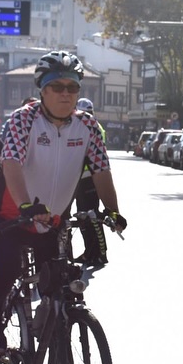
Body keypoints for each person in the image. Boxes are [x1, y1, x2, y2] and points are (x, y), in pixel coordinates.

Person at [0, 51, 127, 355]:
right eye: (57, 87)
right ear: (42, 90)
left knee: (60, 290)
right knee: (5, 272)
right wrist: (24, 205)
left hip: (52, 223)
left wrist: (112, 211)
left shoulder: (87, 126)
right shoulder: (24, 119)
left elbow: (101, 172)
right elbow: (11, 165)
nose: (65, 93)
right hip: (10, 216)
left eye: (72, 87)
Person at [72, 96, 109, 266]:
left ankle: (98, 253)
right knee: (85, 218)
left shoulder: (92, 127)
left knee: (91, 217)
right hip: (79, 178)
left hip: (89, 178)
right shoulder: (83, 126)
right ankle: (91, 252)